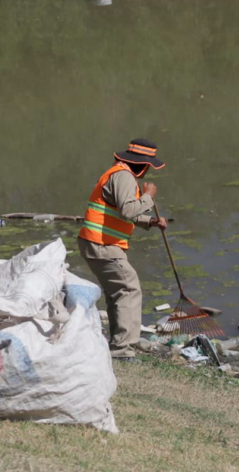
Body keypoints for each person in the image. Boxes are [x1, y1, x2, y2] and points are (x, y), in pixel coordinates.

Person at [77, 139, 168, 362]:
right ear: (142, 164)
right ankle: (122, 351)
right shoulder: (124, 176)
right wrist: (148, 196)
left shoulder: (118, 174)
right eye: (148, 166)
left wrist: (150, 222)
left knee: (117, 293)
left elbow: (122, 212)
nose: (148, 171)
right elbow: (128, 211)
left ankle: (118, 345)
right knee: (129, 289)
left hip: (97, 243)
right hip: (103, 244)